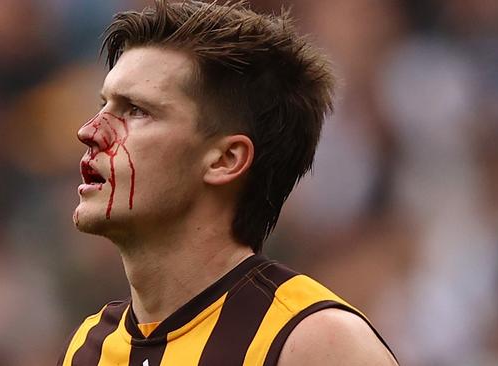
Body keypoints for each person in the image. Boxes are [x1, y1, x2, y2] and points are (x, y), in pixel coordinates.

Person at [59, 1, 398, 365]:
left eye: (136, 110)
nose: (89, 131)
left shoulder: (313, 342)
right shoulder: (90, 346)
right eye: (104, 105)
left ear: (226, 160)